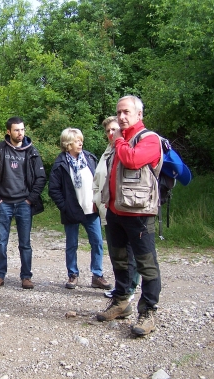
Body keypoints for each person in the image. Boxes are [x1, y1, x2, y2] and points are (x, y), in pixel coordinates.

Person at [96, 95, 162, 336]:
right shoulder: (119, 140)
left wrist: (119, 141)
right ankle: (121, 302)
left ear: (139, 115)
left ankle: (148, 310)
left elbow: (133, 160)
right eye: (119, 112)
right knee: (120, 260)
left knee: (146, 264)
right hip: (115, 211)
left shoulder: (149, 139)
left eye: (126, 112)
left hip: (139, 213)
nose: (122, 117)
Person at [0, 116, 46, 289]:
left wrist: (30, 199)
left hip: (24, 204)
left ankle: (26, 277)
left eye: (22, 130)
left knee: (25, 243)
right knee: (1, 242)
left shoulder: (32, 151)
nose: (20, 133)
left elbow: (41, 178)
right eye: (16, 130)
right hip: (4, 203)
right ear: (8, 132)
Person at [48, 128, 111, 291]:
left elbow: (99, 181)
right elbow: (54, 189)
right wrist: (65, 207)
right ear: (68, 144)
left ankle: (97, 275)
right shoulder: (60, 163)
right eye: (77, 141)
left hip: (92, 209)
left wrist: (100, 201)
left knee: (97, 242)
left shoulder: (90, 158)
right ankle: (73, 274)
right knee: (72, 244)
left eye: (81, 140)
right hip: (72, 211)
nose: (80, 143)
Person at [92, 117, 139, 301]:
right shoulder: (107, 152)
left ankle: (130, 288)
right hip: (107, 211)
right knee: (116, 252)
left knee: (130, 253)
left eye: (114, 129)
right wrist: (96, 201)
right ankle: (121, 287)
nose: (111, 134)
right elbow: (97, 180)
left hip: (126, 210)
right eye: (108, 131)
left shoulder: (126, 148)